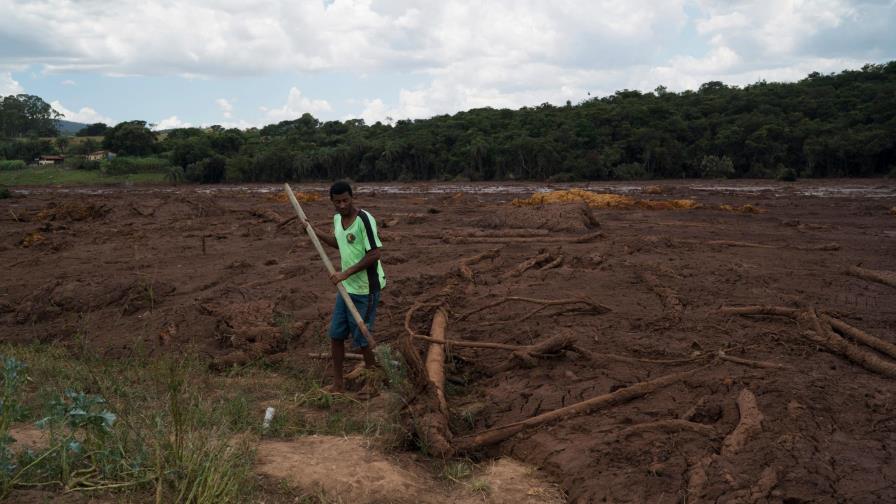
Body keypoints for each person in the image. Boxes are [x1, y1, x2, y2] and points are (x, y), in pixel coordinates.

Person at [305, 181, 386, 393]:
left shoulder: (364, 220)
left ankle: (372, 384)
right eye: (337, 202)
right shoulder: (337, 219)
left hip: (366, 289)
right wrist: (315, 233)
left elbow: (375, 254)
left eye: (345, 201)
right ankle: (338, 384)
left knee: (362, 339)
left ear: (352, 198)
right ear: (331, 202)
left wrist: (345, 273)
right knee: (336, 334)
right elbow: (339, 243)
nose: (342, 205)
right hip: (346, 288)